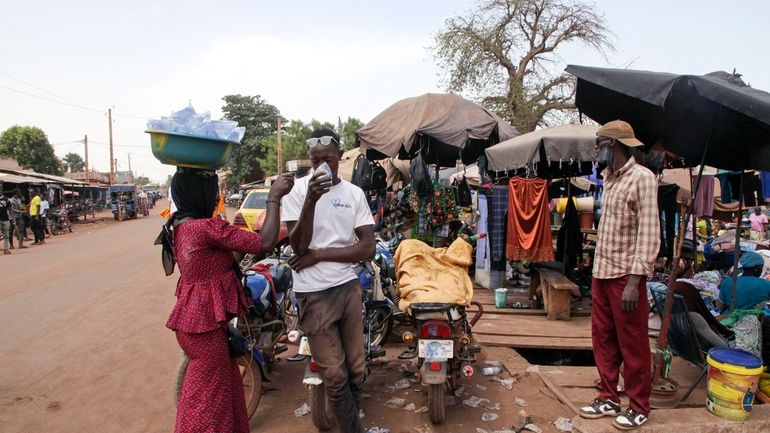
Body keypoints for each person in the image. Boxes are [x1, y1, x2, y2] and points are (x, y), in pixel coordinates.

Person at [165, 168, 294, 433]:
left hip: (194, 323)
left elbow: (220, 261)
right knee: (211, 406)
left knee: (216, 392)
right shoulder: (206, 227)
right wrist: (274, 197)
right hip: (206, 328)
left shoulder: (180, 225)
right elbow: (266, 240)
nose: (216, 197)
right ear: (198, 193)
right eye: (213, 191)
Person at [282, 128, 376, 433]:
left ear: (340, 157)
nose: (323, 166)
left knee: (355, 370)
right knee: (334, 376)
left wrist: (320, 254)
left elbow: (367, 246)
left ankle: (352, 419)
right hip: (313, 293)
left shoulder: (353, 194)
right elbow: (297, 247)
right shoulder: (297, 191)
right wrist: (311, 199)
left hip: (347, 287)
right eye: (316, 160)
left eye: (330, 159)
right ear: (310, 160)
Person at [579, 120, 660, 430]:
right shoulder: (610, 179)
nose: (596, 150)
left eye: (599, 144)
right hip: (603, 272)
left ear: (612, 145)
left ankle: (639, 405)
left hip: (626, 277)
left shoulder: (642, 178)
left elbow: (649, 233)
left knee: (634, 343)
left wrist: (636, 281)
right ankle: (609, 397)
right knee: (603, 339)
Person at [0, 183, 11, 255]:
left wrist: (12, 218)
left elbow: (10, 209)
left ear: (2, 190)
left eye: (0, 189)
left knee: (6, 235)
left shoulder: (6, 199)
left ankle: (6, 249)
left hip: (6, 219)